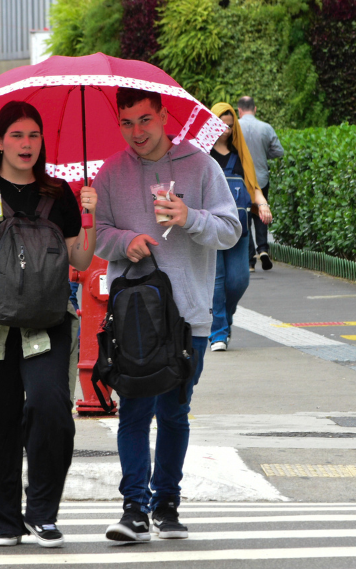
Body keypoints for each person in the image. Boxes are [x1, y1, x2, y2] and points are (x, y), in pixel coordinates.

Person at [0, 101, 96, 548]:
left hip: (46, 317)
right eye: (17, 136)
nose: (26, 145)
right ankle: (3, 520)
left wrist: (91, 217)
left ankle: (42, 512)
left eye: (34, 136)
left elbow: (80, 259)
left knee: (50, 408)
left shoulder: (57, 192)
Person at [93, 88, 241, 542]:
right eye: (127, 123)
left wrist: (189, 216)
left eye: (145, 120)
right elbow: (97, 236)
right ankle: (134, 507)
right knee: (133, 412)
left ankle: (167, 504)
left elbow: (231, 231)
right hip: (134, 315)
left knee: (175, 412)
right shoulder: (111, 172)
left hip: (188, 316)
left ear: (163, 116)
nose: (137, 132)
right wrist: (125, 242)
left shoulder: (200, 166)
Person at [208, 102, 272, 352]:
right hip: (211, 228)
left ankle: (225, 318)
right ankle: (218, 333)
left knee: (239, 280)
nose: (225, 129)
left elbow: (252, 185)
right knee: (216, 281)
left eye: (229, 124)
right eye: (220, 123)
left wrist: (263, 204)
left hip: (238, 228)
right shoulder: (203, 154)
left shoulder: (239, 153)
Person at [235, 96, 282, 271]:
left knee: (245, 216)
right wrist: (263, 154)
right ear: (255, 109)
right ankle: (263, 249)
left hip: (240, 179)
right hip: (261, 177)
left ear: (239, 110)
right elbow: (279, 151)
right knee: (262, 213)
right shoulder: (266, 127)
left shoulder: (235, 128)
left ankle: (250, 260)